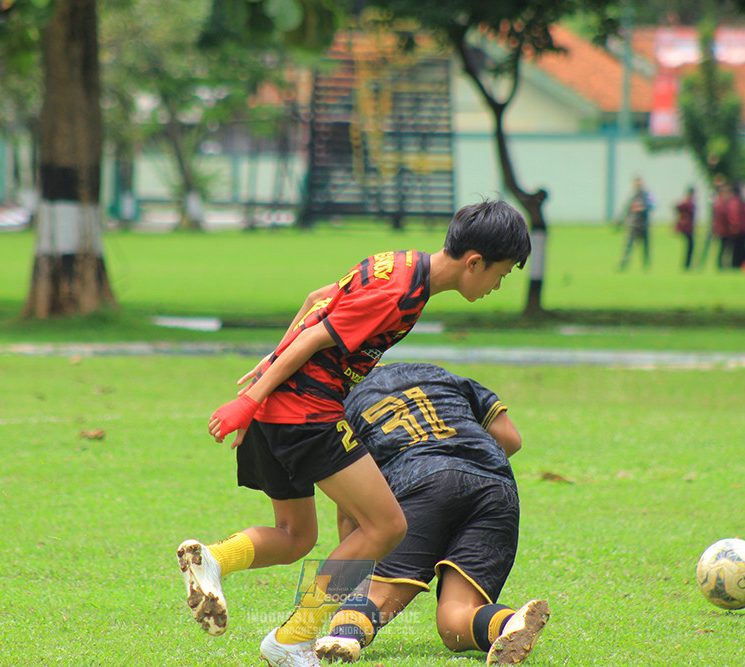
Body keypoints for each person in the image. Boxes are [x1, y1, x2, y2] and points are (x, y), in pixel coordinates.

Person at [176, 200, 532, 667]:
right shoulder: (400, 294)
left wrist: (264, 383)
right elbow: (315, 336)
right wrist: (250, 399)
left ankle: (214, 559)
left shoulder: (399, 262)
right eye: (499, 275)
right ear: (474, 263)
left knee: (295, 535)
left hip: (280, 407)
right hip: (307, 412)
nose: (496, 287)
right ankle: (292, 639)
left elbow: (315, 300)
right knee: (387, 526)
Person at [313, 362, 548, 666]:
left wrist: (359, 575)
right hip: (496, 487)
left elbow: (350, 510)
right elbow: (510, 438)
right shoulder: (437, 373)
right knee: (455, 623)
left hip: (423, 482)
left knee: (372, 594)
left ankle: (344, 637)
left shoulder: (339, 409)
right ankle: (509, 624)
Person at [618, 177, 653, 271]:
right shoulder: (632, 196)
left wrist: (644, 208)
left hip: (644, 225)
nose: (638, 186)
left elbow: (652, 206)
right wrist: (621, 221)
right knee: (628, 247)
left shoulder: (646, 196)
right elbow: (627, 209)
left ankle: (646, 265)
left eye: (639, 184)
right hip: (633, 225)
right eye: (637, 184)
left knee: (645, 248)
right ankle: (623, 265)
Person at [673, 187, 696, 270]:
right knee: (690, 246)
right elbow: (677, 207)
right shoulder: (687, 203)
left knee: (690, 246)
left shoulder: (689, 203)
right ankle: (687, 264)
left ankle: (688, 264)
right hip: (686, 228)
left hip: (689, 227)